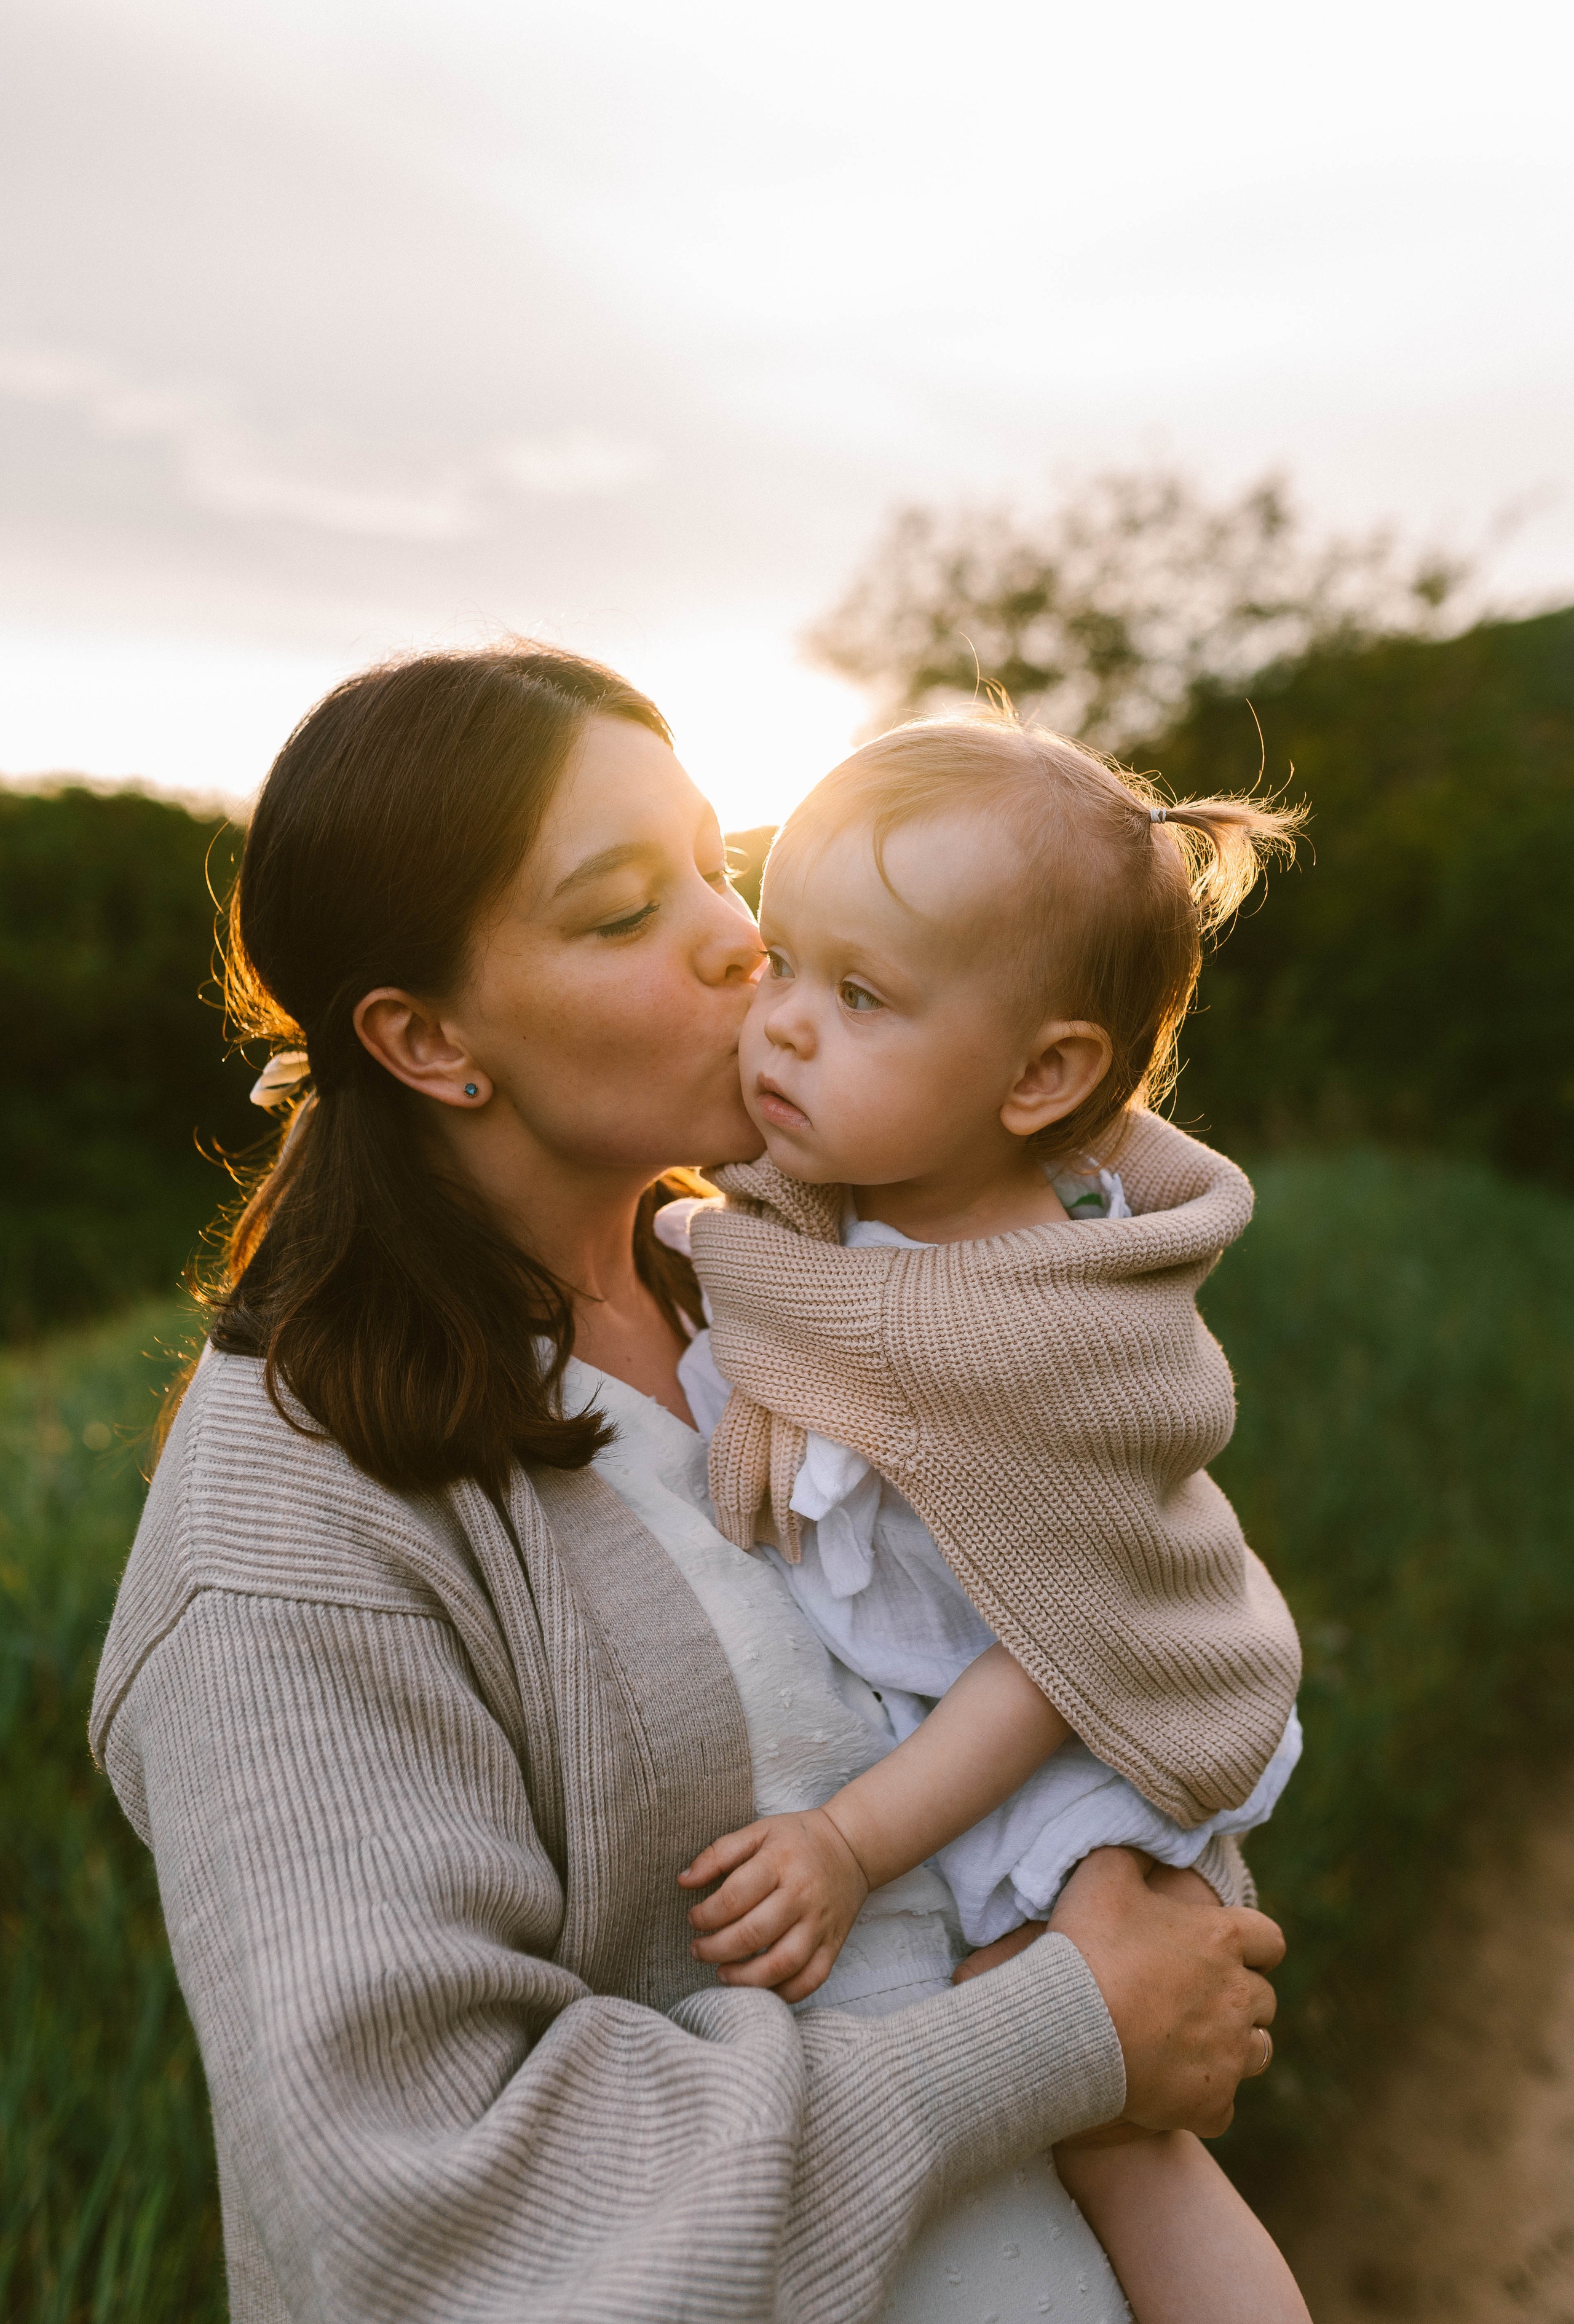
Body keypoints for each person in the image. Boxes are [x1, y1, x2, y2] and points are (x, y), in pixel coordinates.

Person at [90, 645, 1286, 2324]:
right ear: (429, 1040)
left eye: (713, 866)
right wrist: (1065, 2034)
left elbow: (1101, 1577)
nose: (736, 936)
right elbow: (419, 2223)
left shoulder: (771, 1284)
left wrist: (1129, 1908)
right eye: (618, 912)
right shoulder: (293, 1525)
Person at [660, 717, 1312, 2321]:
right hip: (967, 1733)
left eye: (863, 998)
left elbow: (1060, 1651)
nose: (788, 1031)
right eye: (787, 960)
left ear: (1044, 1077)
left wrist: (848, 1838)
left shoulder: (1038, 1328)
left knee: (1124, 2142)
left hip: (1068, 1768)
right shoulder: (845, 1213)